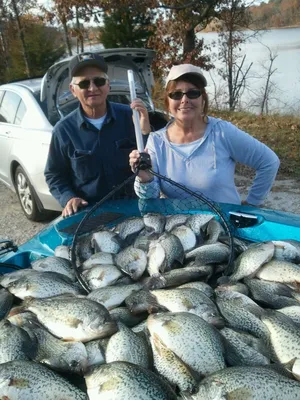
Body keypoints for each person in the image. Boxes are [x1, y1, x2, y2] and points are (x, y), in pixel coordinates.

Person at [129, 63, 280, 206]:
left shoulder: (222, 132)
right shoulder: (156, 142)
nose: (185, 100)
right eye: (176, 94)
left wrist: (252, 203)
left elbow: (269, 162)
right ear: (167, 102)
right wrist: (144, 178)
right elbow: (150, 198)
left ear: (203, 98)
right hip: (179, 228)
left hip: (223, 228)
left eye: (193, 93)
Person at [44, 52, 151, 217]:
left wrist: (145, 131)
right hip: (91, 215)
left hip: (135, 209)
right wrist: (69, 198)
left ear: (108, 85)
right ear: (73, 90)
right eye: (84, 83)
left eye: (99, 81)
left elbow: (153, 159)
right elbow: (54, 174)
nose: (93, 88)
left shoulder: (132, 117)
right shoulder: (63, 131)